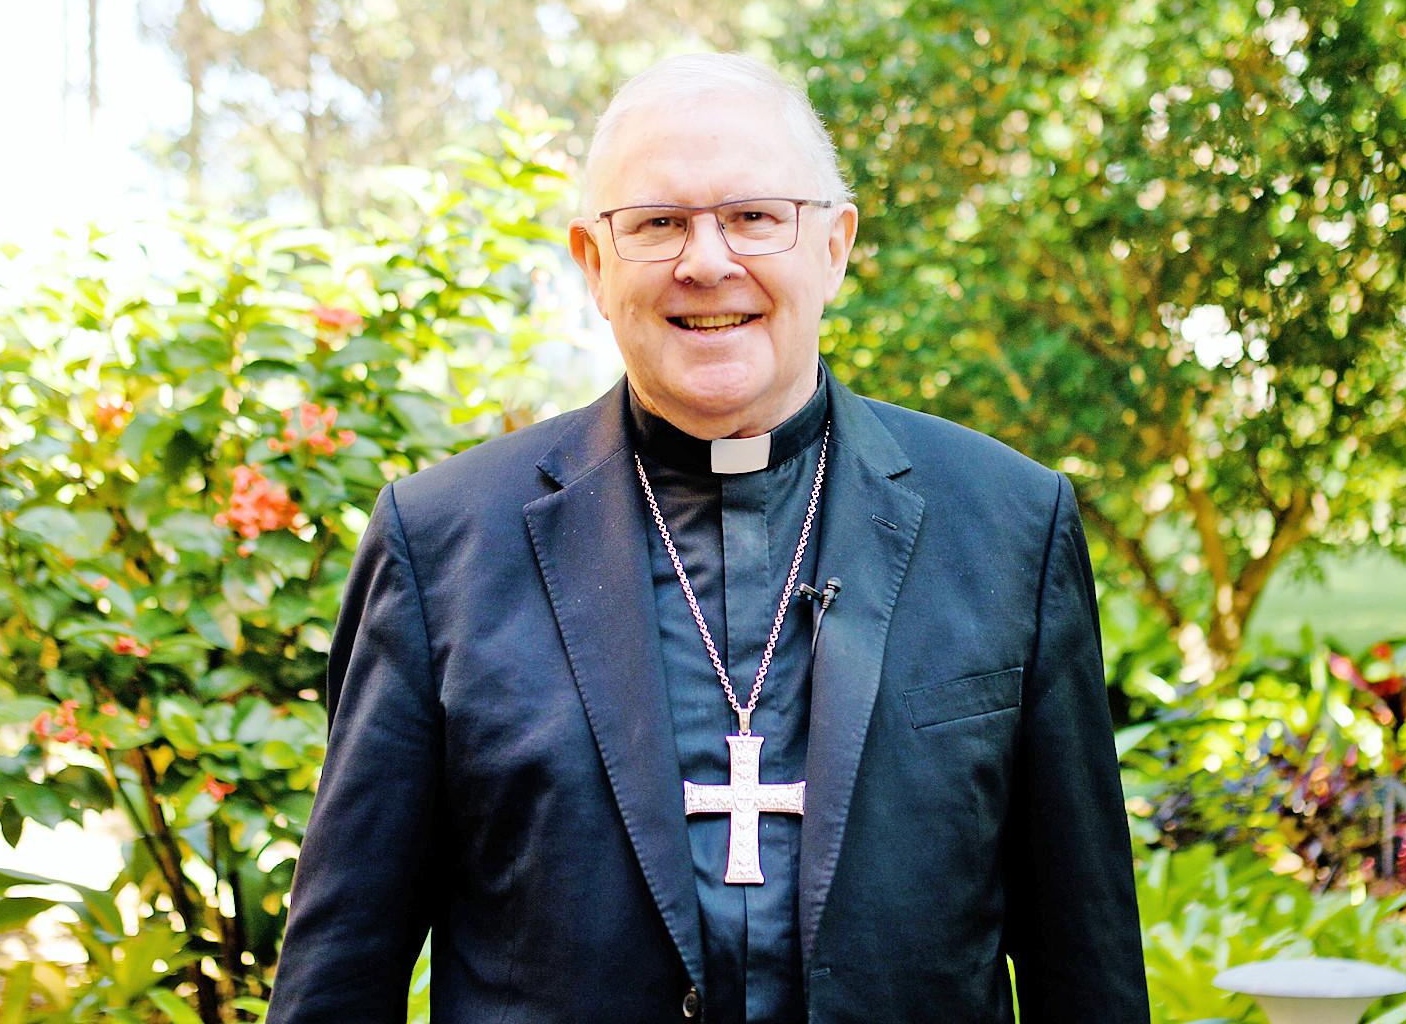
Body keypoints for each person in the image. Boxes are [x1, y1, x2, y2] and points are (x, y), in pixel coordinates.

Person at [267, 52, 1147, 1023]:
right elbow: (338, 978)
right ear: (593, 264)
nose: (708, 261)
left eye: (754, 216)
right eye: (657, 224)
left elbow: (1088, 971)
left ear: (834, 247)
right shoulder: (443, 545)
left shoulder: (1009, 526)